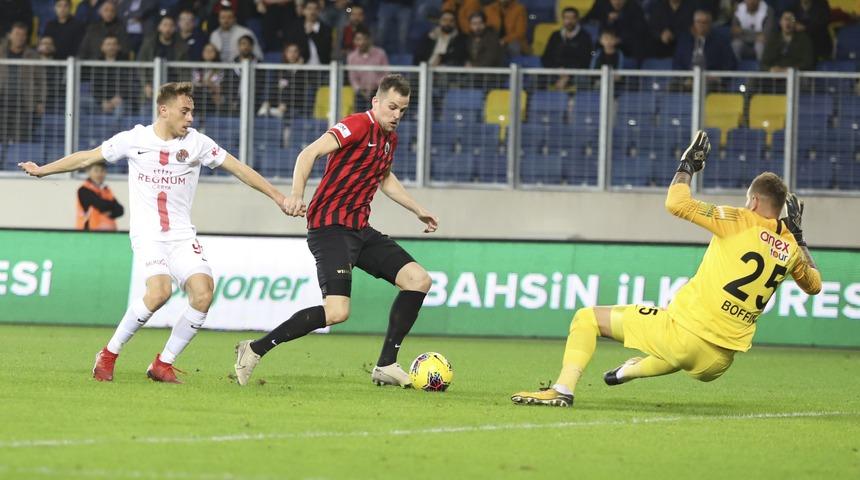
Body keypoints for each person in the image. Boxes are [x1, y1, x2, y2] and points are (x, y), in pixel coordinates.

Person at [511, 130, 822, 407]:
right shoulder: (791, 249)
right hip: (717, 363)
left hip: (684, 337)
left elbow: (677, 204)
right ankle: (627, 371)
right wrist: (800, 237)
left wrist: (687, 167)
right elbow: (814, 285)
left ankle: (562, 389)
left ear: (753, 201)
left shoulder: (740, 220)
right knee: (675, 354)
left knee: (586, 318)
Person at [18, 82, 289, 383]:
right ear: (164, 110)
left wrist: (277, 196)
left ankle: (163, 363)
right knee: (160, 292)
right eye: (185, 112)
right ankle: (108, 354)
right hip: (149, 235)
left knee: (203, 294)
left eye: (192, 112)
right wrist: (43, 169)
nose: (190, 118)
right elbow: (86, 157)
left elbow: (239, 169)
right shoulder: (134, 139)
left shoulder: (197, 143)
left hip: (182, 236)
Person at [234, 74, 439, 388]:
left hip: (359, 229)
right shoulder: (356, 125)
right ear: (377, 102)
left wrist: (417, 209)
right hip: (329, 228)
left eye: (403, 111)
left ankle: (386, 364)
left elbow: (384, 179)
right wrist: (297, 195)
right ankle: (254, 348)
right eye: (392, 107)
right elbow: (308, 153)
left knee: (418, 280)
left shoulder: (389, 139)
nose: (397, 116)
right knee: (337, 311)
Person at [0, 22, 46, 143]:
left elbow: (41, 79)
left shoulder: (33, 55)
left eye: (23, 35)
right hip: (2, 101)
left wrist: (40, 101)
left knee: (20, 139)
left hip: (24, 103)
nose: (19, 37)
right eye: (17, 34)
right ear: (9, 35)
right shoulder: (1, 52)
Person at [347, 26, 389, 110]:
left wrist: (375, 88)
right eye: (358, 39)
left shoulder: (380, 54)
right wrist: (360, 90)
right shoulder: (351, 57)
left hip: (378, 92)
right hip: (360, 94)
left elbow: (385, 74)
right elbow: (353, 78)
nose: (361, 42)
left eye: (364, 39)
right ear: (354, 41)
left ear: (369, 40)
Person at [76, 162, 124, 231]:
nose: (99, 174)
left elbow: (120, 210)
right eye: (96, 170)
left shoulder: (106, 189)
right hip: (90, 233)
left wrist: (111, 211)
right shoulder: (83, 190)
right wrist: (112, 207)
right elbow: (101, 205)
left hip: (110, 234)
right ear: (88, 172)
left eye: (102, 171)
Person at [284, 0, 332, 65]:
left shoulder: (326, 29)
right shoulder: (295, 28)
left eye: (315, 9)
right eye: (309, 8)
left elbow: (326, 49)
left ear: (319, 11)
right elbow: (291, 47)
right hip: (301, 68)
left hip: (322, 68)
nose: (312, 12)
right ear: (303, 11)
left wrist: (312, 34)